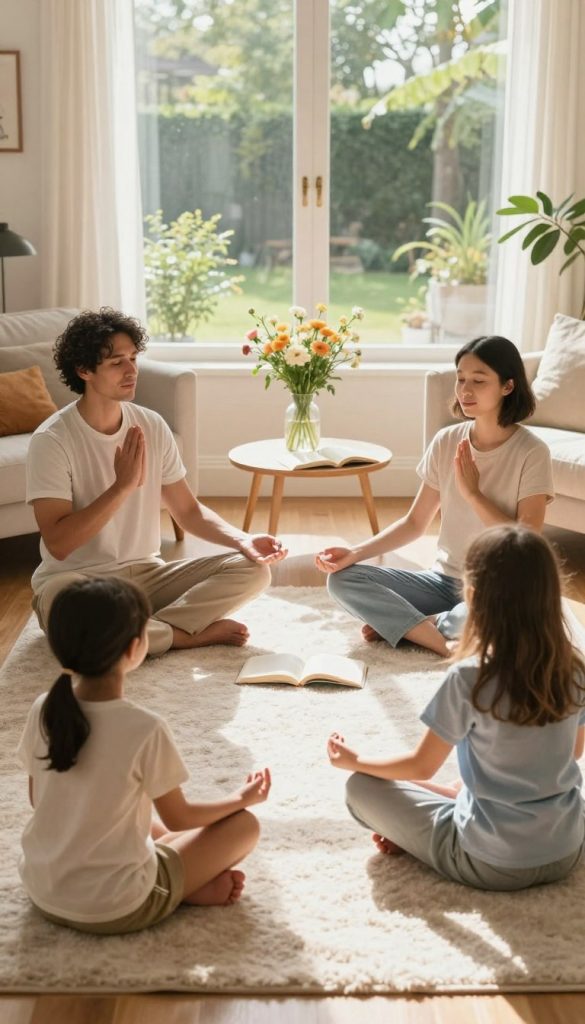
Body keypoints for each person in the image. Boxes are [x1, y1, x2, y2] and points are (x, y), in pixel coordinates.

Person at [327, 525, 585, 891]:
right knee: (474, 781)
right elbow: (572, 753)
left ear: (473, 599)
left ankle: (425, 829)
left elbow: (420, 765)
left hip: (490, 862)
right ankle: (458, 800)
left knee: (362, 788)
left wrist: (354, 761)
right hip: (568, 850)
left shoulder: (469, 678)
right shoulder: (575, 668)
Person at [26, 308, 287, 656]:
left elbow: (188, 512)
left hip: (146, 577)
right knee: (71, 610)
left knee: (253, 571)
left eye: (133, 358)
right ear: (84, 370)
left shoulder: (151, 424)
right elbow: (58, 543)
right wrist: (121, 487)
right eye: (117, 361)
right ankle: (184, 635)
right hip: (75, 582)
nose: (132, 370)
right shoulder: (52, 440)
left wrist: (244, 540)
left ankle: (138, 634)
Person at [17, 577, 271, 934]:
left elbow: (37, 799)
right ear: (136, 647)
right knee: (244, 825)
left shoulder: (43, 708)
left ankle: (179, 875)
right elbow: (181, 818)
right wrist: (240, 798)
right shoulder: (144, 727)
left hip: (43, 890)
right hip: (117, 906)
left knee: (120, 808)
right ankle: (182, 891)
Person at [316, 335, 554, 656]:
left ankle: (412, 626)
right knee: (343, 581)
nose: (465, 390)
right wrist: (354, 553)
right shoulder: (446, 441)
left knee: (490, 617)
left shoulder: (532, 452)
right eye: (461, 379)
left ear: (507, 387)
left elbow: (525, 540)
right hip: (443, 581)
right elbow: (415, 523)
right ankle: (442, 643)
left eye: (479, 381)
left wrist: (473, 494)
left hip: (497, 588)